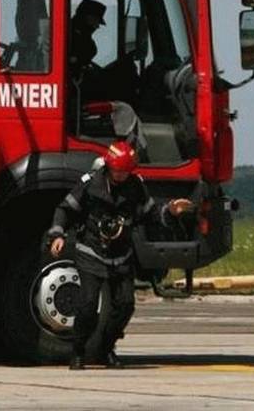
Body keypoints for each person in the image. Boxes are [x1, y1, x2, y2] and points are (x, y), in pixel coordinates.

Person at [47, 141, 193, 370]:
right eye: (117, 170)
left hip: (121, 254)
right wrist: (57, 234)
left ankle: (106, 348)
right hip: (91, 251)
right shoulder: (90, 184)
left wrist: (171, 211)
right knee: (88, 305)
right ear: (108, 166)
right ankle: (78, 351)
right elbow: (64, 209)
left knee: (125, 304)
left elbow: (151, 214)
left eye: (125, 171)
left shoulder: (135, 186)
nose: (120, 175)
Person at [68, 0, 106, 77]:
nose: (97, 26)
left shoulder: (84, 36)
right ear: (86, 17)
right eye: (95, 21)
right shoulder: (67, 33)